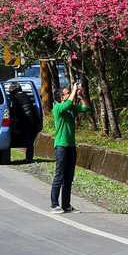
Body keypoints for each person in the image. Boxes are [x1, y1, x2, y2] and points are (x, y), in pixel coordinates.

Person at [50, 80, 88, 213]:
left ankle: (66, 205)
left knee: (69, 177)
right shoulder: (58, 108)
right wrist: (73, 91)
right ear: (61, 97)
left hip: (71, 146)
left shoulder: (70, 107)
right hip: (61, 146)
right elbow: (67, 104)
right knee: (59, 175)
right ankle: (54, 204)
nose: (69, 95)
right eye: (66, 94)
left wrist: (81, 96)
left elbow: (85, 108)